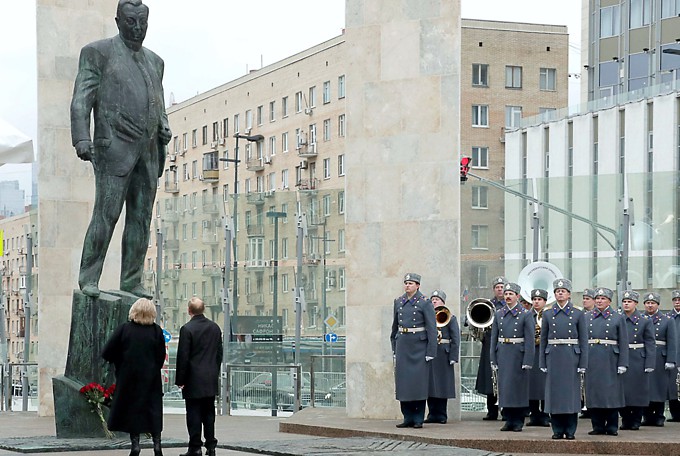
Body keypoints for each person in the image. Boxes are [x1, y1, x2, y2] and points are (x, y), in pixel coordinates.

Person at [70, 0, 172, 298]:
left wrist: (164, 124)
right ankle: (89, 278)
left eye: (142, 22)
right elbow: (81, 99)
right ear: (118, 21)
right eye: (131, 22)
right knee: (106, 214)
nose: (138, 28)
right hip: (113, 148)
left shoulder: (156, 61)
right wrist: (81, 138)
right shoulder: (97, 53)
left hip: (149, 151)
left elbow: (158, 101)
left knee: (140, 218)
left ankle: (131, 280)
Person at [102, 298, 166, 456]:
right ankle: (157, 444)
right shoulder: (156, 331)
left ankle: (135, 445)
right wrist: (152, 368)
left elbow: (107, 351)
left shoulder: (124, 329)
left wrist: (120, 362)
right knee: (153, 410)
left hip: (128, 378)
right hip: (151, 379)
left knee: (133, 411)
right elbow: (161, 356)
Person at [539, 278, 588, 440]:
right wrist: (542, 361)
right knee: (555, 395)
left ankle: (571, 429)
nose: (560, 293)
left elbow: (583, 340)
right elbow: (543, 339)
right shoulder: (547, 313)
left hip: (571, 357)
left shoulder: (578, 313)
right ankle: (557, 429)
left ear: (569, 294)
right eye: (557, 291)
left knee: (570, 395)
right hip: (553, 356)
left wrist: (583, 362)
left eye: (563, 291)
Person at [176, 297, 223, 456]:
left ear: (189, 311)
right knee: (209, 413)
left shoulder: (187, 329)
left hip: (193, 379)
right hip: (210, 377)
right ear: (204, 309)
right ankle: (211, 446)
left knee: (194, 413)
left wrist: (180, 380)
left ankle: (195, 447)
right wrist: (214, 371)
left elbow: (183, 357)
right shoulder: (215, 328)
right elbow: (219, 354)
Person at [390, 273, 437, 429]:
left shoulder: (425, 303)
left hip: (419, 348)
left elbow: (432, 328)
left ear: (418, 285)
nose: (407, 286)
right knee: (404, 385)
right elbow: (394, 327)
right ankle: (407, 417)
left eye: (410, 283)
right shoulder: (399, 302)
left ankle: (418, 418)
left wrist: (431, 351)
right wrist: (394, 348)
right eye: (406, 283)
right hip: (403, 346)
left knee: (418, 385)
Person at [490, 282, 534, 432]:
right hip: (503, 353)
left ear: (517, 296)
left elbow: (530, 339)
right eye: (506, 294)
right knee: (505, 388)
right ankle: (508, 419)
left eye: (511, 294)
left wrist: (528, 360)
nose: (507, 296)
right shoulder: (499, 314)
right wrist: (493, 358)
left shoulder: (525, 314)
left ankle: (518, 420)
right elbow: (494, 338)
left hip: (518, 354)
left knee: (518, 389)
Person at [585, 287, 629, 436]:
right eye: (597, 298)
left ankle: (611, 426)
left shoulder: (618, 317)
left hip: (611, 359)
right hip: (592, 357)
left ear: (609, 301)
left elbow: (623, 342)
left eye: (603, 298)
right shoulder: (587, 317)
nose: (599, 301)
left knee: (611, 394)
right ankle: (597, 426)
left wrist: (623, 362)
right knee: (594, 393)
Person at [619, 290, 655, 431]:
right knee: (623, 392)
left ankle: (636, 420)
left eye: (629, 302)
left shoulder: (645, 321)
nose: (626, 304)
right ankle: (625, 419)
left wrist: (650, 363)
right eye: (624, 301)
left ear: (636, 304)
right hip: (623, 356)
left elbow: (650, 343)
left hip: (638, 358)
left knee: (638, 392)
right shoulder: (618, 318)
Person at [642, 292, 677, 427]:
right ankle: (647, 416)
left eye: (653, 303)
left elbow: (672, 341)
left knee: (659, 388)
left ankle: (659, 416)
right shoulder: (641, 319)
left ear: (658, 305)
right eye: (648, 303)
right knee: (646, 388)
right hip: (644, 356)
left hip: (660, 358)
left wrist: (671, 359)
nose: (650, 305)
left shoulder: (667, 320)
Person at [424, 290, 460, 424]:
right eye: (432, 299)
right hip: (431, 354)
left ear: (443, 302)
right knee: (430, 385)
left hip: (444, 354)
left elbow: (455, 338)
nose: (434, 301)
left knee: (442, 385)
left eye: (437, 299)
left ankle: (441, 415)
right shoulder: (427, 317)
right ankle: (432, 414)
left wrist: (453, 356)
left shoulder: (451, 317)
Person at [474, 276, 506, 421]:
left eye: (502, 287)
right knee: (489, 377)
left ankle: (507, 411)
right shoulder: (488, 304)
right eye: (497, 287)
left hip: (505, 344)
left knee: (506, 378)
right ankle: (491, 410)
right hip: (489, 343)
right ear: (494, 290)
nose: (500, 289)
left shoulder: (510, 304)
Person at [527, 289, 549, 427]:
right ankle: (534, 415)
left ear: (545, 302)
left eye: (539, 299)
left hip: (544, 353)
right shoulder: (526, 315)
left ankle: (545, 415)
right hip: (532, 353)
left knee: (544, 386)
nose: (536, 302)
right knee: (531, 385)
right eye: (534, 299)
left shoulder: (548, 315)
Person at [578, 287, 596, 419]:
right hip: (584, 349)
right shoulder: (581, 315)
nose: (585, 301)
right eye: (584, 299)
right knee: (583, 381)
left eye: (588, 299)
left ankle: (593, 407)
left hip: (596, 350)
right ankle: (584, 405)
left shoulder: (596, 315)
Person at [668, 289, 680, 421]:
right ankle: (675, 414)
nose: (677, 302)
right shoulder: (668, 318)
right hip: (673, 356)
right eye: (675, 300)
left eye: (679, 300)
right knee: (672, 387)